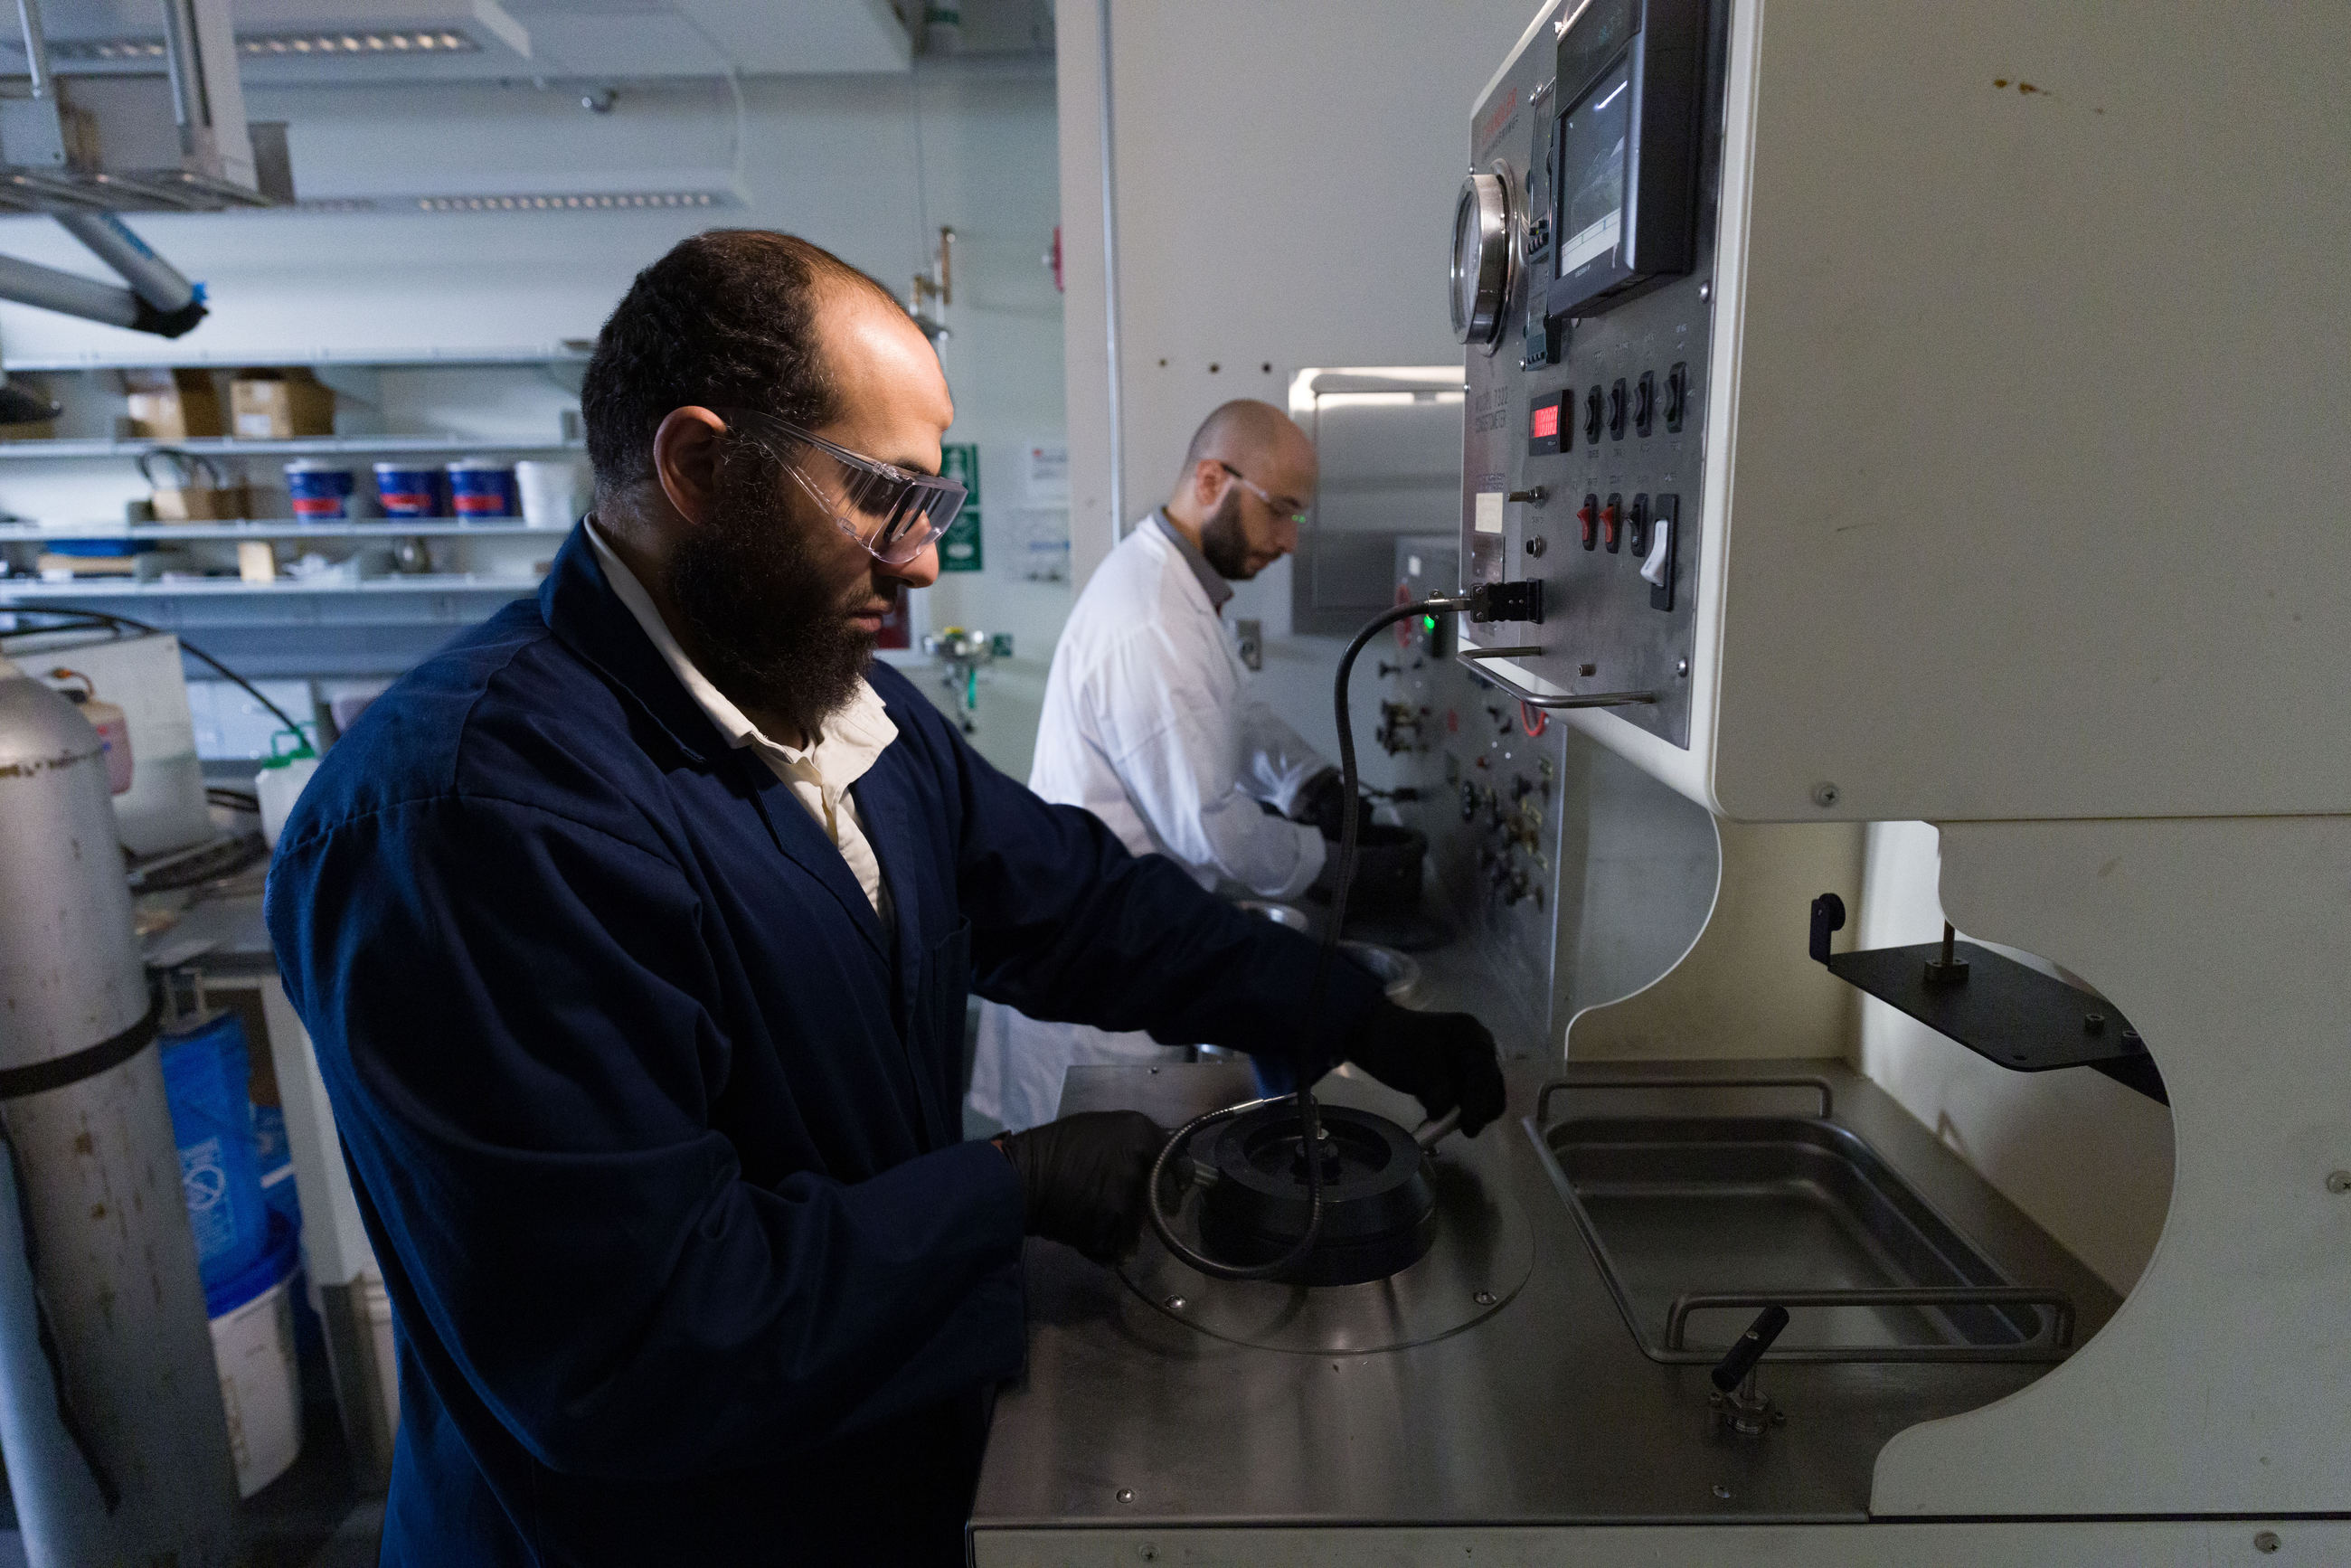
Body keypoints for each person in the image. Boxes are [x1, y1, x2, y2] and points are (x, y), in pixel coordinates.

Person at [262, 231, 1505, 1567]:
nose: (919, 563)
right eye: (883, 495)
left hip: (855, 1469)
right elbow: (639, 1337)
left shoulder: (842, 717)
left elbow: (1081, 907)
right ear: (698, 468)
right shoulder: (472, 823)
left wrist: (1346, 1007)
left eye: (936, 503)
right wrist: (1002, 1188)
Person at [967, 401, 1362, 1132]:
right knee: (1101, 1218)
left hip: (1119, 950)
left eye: (1295, 518)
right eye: (1280, 512)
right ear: (1212, 479)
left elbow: (1229, 714)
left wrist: (1308, 779)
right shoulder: (1152, 615)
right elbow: (1215, 830)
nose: (1288, 541)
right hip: (1095, 996)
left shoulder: (1173, 588)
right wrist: (1333, 865)